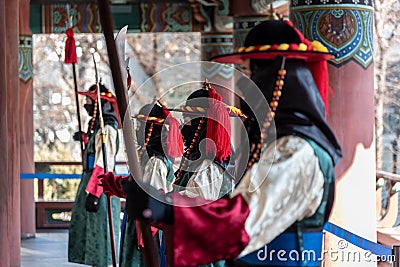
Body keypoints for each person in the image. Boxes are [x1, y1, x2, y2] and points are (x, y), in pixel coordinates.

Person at [123, 18, 342, 267]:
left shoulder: (297, 151)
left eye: (253, 73)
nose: (247, 83)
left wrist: (169, 209)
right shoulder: (280, 145)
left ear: (278, 76)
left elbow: (242, 222)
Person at [100, 102, 183, 267]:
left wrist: (144, 235)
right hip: (137, 219)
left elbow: (151, 200)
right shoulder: (146, 158)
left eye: (141, 125)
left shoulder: (155, 162)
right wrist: (117, 185)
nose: (138, 130)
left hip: (145, 227)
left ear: (151, 129)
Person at [68, 83, 121, 267]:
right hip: (92, 182)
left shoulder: (107, 130)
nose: (86, 105)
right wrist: (85, 137)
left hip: (99, 186)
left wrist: (95, 193)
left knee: (100, 233)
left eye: (89, 102)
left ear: (100, 105)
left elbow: (102, 164)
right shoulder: (99, 129)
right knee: (91, 231)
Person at [173, 83, 237, 201]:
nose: (183, 127)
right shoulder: (199, 161)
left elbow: (195, 208)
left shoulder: (210, 167)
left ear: (201, 123)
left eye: (188, 120)